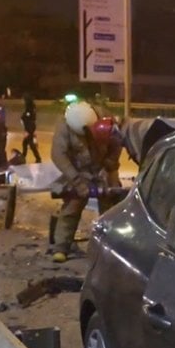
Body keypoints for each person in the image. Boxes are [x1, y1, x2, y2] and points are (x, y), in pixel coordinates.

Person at [48, 101, 123, 263]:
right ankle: (61, 246)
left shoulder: (107, 120)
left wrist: (110, 165)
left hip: (103, 167)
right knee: (72, 207)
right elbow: (59, 156)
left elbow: (117, 143)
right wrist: (77, 181)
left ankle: (109, 246)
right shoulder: (64, 127)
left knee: (110, 208)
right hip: (79, 171)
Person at [20, 93, 41, 163]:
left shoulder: (29, 109)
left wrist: (27, 131)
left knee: (31, 144)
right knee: (25, 143)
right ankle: (23, 157)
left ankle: (38, 158)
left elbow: (29, 120)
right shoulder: (31, 107)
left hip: (29, 128)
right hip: (31, 128)